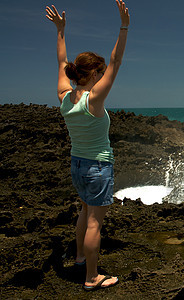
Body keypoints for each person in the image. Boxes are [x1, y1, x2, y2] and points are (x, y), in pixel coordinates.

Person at [45, 0, 130, 291]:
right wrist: (124, 26)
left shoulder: (64, 97)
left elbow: (61, 62)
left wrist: (60, 31)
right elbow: (116, 62)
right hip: (97, 166)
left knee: (85, 211)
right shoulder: (93, 102)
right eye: (100, 72)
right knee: (95, 221)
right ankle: (92, 277)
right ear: (93, 74)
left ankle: (80, 257)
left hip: (77, 165)